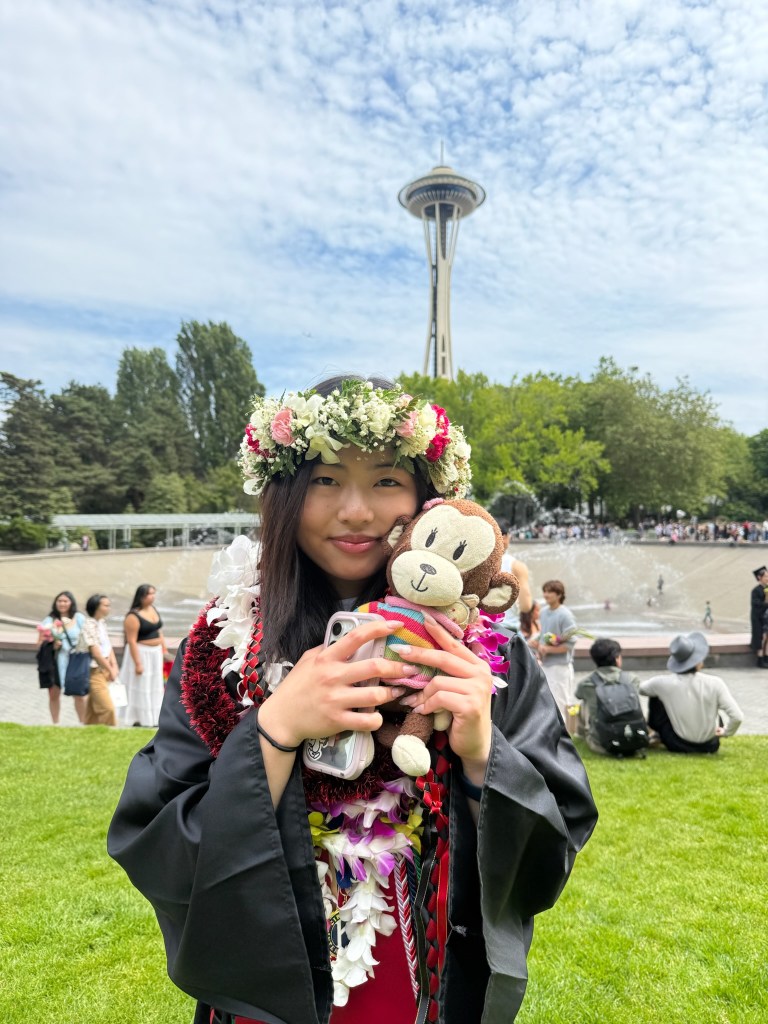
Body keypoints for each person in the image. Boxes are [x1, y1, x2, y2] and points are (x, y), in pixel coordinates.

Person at [108, 375, 598, 1024]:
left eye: (387, 480)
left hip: (426, 988)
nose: (357, 511)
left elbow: (550, 842)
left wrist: (484, 756)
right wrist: (276, 731)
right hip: (274, 991)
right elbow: (160, 843)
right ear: (284, 493)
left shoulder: (488, 657)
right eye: (326, 479)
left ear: (428, 499)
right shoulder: (223, 647)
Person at [639, 632, 743, 754]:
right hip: (710, 745)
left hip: (676, 743)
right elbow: (737, 716)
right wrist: (726, 732)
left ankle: (654, 734)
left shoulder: (662, 683)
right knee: (715, 708)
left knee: (655, 696)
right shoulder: (715, 683)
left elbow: (641, 689)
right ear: (698, 661)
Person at [575, 638, 644, 756]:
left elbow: (578, 695)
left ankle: (580, 734)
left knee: (584, 703)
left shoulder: (586, 683)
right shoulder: (632, 680)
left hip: (601, 744)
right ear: (617, 658)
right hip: (634, 740)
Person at [530, 580, 578, 733]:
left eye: (549, 592)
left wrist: (548, 649)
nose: (545, 595)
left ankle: (566, 735)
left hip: (560, 667)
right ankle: (554, 734)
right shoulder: (544, 612)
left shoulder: (565, 615)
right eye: (544, 591)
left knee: (562, 702)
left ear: (559, 595)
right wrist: (536, 641)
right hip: (546, 665)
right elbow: (544, 634)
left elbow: (570, 644)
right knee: (548, 701)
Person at [120, 583, 168, 727]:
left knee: (155, 684)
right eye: (149, 594)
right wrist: (138, 663)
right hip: (141, 653)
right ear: (141, 596)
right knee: (141, 685)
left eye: (153, 593)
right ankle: (139, 718)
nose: (152, 597)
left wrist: (164, 649)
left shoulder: (153, 609)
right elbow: (131, 641)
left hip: (155, 653)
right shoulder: (133, 616)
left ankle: (154, 718)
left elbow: (159, 630)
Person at [40, 591, 88, 723]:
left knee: (79, 694)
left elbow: (88, 637)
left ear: (71, 603)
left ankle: (83, 723)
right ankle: (55, 723)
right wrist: (52, 644)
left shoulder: (79, 618)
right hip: (56, 661)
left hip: (75, 660)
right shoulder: (50, 620)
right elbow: (39, 641)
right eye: (59, 601)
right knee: (53, 694)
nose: (62, 604)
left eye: (65, 601)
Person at [82, 594, 119, 726]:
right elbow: (96, 653)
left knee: (92, 711)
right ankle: (111, 733)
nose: (109, 608)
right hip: (94, 671)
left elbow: (107, 646)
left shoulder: (101, 623)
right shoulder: (88, 625)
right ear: (96, 607)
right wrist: (110, 669)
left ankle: (90, 731)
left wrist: (114, 665)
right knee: (108, 708)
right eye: (106, 605)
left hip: (104, 668)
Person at [494, 517, 534, 635]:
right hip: (507, 630)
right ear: (504, 537)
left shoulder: (475, 563)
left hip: (480, 629)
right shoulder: (516, 566)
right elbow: (526, 606)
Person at [750, 566, 768, 665]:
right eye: (766, 576)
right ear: (759, 578)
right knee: (761, 638)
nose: (767, 578)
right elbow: (756, 604)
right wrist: (766, 602)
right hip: (759, 618)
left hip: (767, 618)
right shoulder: (756, 590)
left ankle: (766, 657)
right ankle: (760, 659)